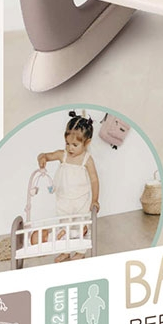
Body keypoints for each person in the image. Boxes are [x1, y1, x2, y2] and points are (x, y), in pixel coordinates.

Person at [35, 112, 100, 262]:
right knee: (64, 227)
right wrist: (42, 158)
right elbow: (45, 155)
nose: (70, 148)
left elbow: (94, 180)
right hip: (63, 199)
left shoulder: (87, 160)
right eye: (67, 143)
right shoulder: (62, 155)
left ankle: (80, 251)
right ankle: (65, 251)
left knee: (80, 227)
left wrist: (95, 200)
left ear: (87, 143)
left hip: (81, 200)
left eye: (75, 145)